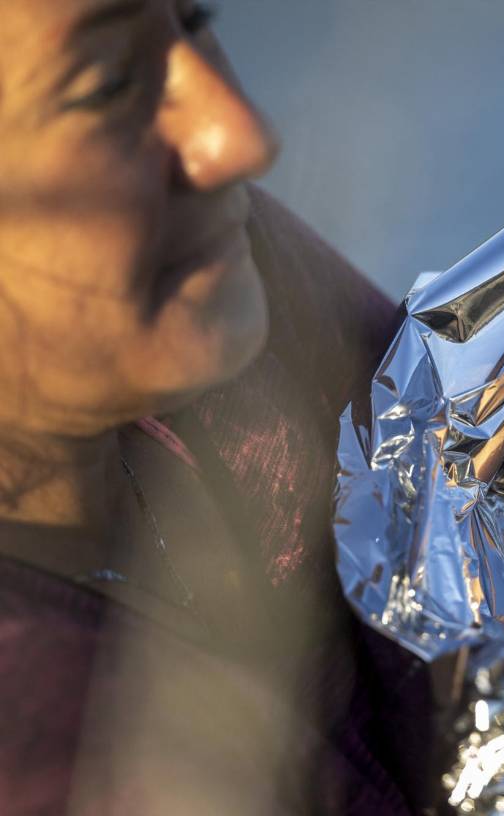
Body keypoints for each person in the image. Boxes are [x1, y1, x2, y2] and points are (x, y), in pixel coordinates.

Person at [0, 1, 415, 812]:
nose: (243, 137)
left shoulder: (214, 296)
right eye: (105, 84)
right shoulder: (40, 751)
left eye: (193, 19)